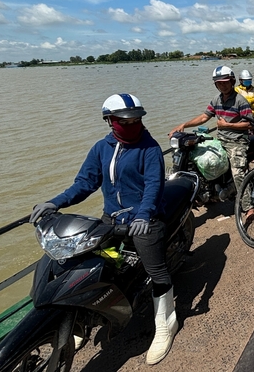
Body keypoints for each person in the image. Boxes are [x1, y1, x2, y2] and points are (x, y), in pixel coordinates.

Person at [29, 94, 177, 365]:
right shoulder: (101, 148)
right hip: (112, 218)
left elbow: (154, 186)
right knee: (83, 261)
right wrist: (55, 202)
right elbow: (85, 183)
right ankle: (79, 322)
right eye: (125, 120)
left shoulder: (150, 148)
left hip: (146, 218)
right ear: (110, 121)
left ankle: (166, 325)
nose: (132, 124)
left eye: (136, 119)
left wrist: (144, 215)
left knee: (156, 270)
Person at [169, 66, 254, 221]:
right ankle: (208, 194)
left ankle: (250, 207)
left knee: (238, 173)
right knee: (199, 158)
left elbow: (250, 124)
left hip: (237, 142)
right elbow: (204, 117)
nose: (223, 85)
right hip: (220, 140)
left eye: (225, 82)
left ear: (232, 81)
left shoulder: (240, 101)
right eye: (219, 83)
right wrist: (183, 125)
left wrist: (228, 126)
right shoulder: (217, 100)